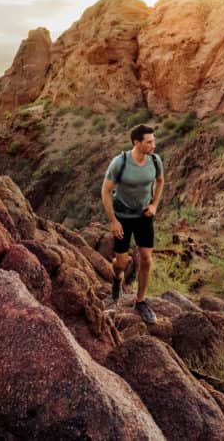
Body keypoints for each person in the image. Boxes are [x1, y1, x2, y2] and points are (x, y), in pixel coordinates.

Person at [101, 123, 164, 324]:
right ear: (137, 143)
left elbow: (161, 181)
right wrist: (113, 221)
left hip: (144, 216)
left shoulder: (155, 160)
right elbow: (105, 191)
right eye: (149, 142)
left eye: (153, 140)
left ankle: (140, 301)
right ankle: (117, 279)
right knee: (122, 263)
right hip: (122, 217)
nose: (153, 145)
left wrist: (154, 204)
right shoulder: (120, 163)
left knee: (146, 259)